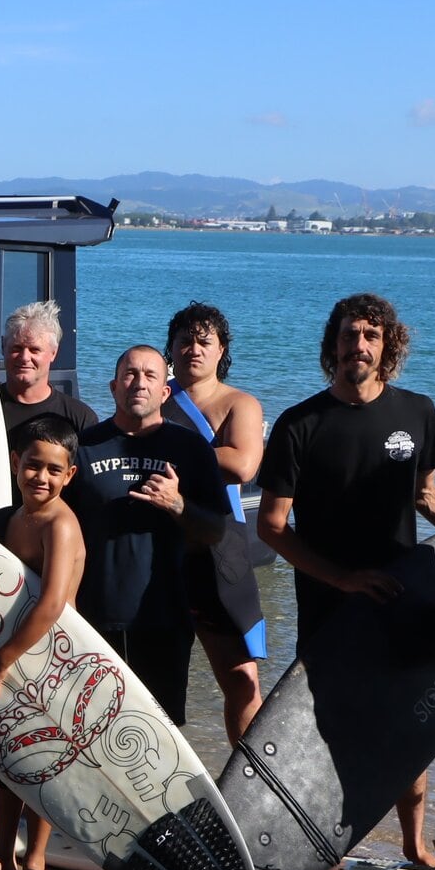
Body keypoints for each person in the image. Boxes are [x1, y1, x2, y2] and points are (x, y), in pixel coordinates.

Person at [257, 294, 435, 869]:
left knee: (407, 725)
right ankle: (323, 849)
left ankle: (415, 845)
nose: (359, 345)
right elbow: (272, 528)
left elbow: (427, 497)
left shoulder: (417, 412)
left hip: (405, 599)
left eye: (371, 335)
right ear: (333, 345)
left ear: (388, 344)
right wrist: (343, 579)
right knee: (328, 729)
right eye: (349, 335)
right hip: (330, 605)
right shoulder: (301, 423)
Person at [62, 345, 229, 725]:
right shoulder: (83, 447)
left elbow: (216, 530)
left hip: (163, 621)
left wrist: (177, 505)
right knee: (86, 733)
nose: (139, 383)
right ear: (113, 387)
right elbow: (56, 526)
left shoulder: (190, 449)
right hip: (90, 619)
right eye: (130, 374)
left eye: (151, 375)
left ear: (165, 392)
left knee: (159, 740)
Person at [0, 415, 86, 870]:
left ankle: (35, 860)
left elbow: (52, 602)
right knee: (6, 758)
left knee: (41, 760)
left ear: (69, 475)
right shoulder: (13, 518)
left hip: (51, 658)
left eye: (54, 470)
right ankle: (2, 858)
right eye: (33, 465)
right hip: (13, 655)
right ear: (16, 463)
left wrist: (2, 658)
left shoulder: (61, 524)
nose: (42, 477)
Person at [164, 302, 268, 743]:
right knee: (155, 682)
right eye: (185, 341)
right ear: (170, 347)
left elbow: (243, 464)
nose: (193, 349)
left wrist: (167, 454)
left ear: (221, 350)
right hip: (161, 554)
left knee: (243, 681)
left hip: (220, 553)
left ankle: (251, 787)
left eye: (204, 342)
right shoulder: (155, 393)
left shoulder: (238, 403)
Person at [0, 300, 98, 439]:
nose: (24, 357)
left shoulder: (80, 419)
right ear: (3, 347)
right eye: (16, 348)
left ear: (53, 353)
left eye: (34, 350)